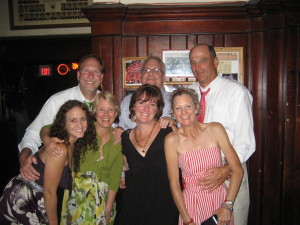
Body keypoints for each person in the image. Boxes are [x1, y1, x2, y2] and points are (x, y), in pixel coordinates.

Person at [188, 43, 256, 225]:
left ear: (215, 62)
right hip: (198, 177)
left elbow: (245, 141)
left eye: (203, 60)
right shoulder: (190, 94)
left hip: (229, 175)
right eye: (193, 62)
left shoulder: (236, 93)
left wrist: (227, 168)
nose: (197, 67)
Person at [0, 100, 94, 225]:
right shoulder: (60, 148)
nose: (80, 124)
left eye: (83, 119)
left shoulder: (72, 144)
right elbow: (49, 193)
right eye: (73, 120)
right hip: (23, 198)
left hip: (36, 197)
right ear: (63, 123)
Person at [18, 54, 104, 182]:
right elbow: (33, 133)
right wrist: (24, 158)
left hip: (93, 178)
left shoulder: (106, 103)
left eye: (95, 72)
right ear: (78, 75)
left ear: (101, 77)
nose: (91, 76)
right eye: (86, 71)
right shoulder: (57, 101)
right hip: (54, 178)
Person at [165, 88, 243, 225]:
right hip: (191, 206)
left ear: (196, 108)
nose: (184, 112)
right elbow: (174, 184)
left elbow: (237, 169)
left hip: (220, 202)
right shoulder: (172, 140)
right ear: (173, 112)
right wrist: (186, 219)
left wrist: (227, 206)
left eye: (188, 106)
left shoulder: (215, 129)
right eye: (178, 108)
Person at [114, 84, 179, 225]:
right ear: (133, 107)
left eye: (152, 104)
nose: (146, 109)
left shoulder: (168, 131)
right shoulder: (123, 137)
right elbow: (123, 168)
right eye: (141, 102)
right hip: (133, 208)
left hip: (164, 207)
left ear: (158, 109)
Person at [60, 92, 123, 225]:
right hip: (76, 198)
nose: (106, 115)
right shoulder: (83, 129)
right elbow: (52, 128)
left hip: (103, 200)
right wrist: (48, 141)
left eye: (111, 110)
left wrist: (108, 208)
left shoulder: (118, 140)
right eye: (101, 109)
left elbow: (115, 176)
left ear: (116, 113)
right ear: (94, 111)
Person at [118, 56, 172, 130]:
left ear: (163, 77)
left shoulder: (173, 100)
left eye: (156, 70)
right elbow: (122, 128)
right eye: (146, 70)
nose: (151, 73)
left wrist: (173, 123)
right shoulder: (127, 101)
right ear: (141, 76)